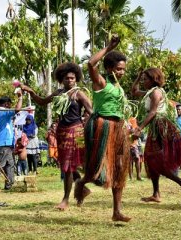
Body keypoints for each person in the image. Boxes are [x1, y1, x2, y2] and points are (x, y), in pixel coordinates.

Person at [73, 35, 131, 222]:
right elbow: (90, 64)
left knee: (120, 166)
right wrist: (108, 47)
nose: (122, 72)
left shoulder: (118, 86)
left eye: (123, 69)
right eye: (118, 69)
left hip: (119, 127)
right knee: (95, 169)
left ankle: (117, 211)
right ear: (109, 68)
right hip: (102, 126)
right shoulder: (101, 82)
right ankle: (81, 183)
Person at [21, 62, 92, 211]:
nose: (70, 80)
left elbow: (91, 111)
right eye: (67, 78)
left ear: (76, 78)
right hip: (62, 132)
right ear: (61, 79)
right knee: (68, 165)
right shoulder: (58, 93)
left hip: (76, 132)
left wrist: (90, 126)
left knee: (68, 166)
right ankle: (82, 190)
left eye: (72, 78)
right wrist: (31, 92)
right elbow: (41, 102)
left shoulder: (79, 93)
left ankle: (66, 200)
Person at [132, 67, 181, 203]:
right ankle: (156, 193)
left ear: (153, 79)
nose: (143, 81)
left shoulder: (156, 92)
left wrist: (139, 128)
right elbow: (134, 91)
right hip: (155, 127)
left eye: (145, 79)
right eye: (143, 79)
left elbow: (152, 112)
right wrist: (138, 75)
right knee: (151, 160)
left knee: (156, 161)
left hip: (160, 127)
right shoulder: (149, 92)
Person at [0, 94, 23, 192]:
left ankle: (9, 185)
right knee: (1, 164)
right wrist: (20, 98)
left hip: (7, 143)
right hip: (3, 143)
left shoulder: (2, 112)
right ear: (7, 104)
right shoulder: (1, 112)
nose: (11, 105)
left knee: (10, 164)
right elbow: (17, 109)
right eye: (10, 104)